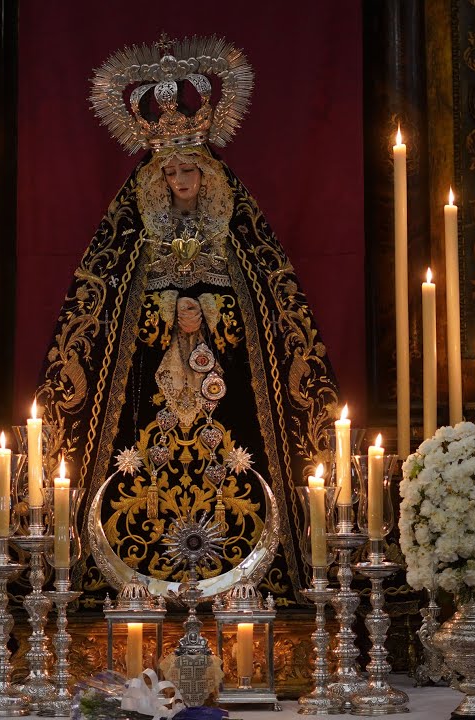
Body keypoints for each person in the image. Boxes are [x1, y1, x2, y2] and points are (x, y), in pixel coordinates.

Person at [33, 36, 339, 598]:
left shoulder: (238, 240)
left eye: (189, 172)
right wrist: (163, 308)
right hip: (148, 386)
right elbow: (100, 315)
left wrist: (215, 307)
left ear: (207, 176)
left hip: (230, 392)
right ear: (157, 180)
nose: (180, 182)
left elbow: (271, 312)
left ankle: (248, 576)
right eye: (170, 173)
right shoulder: (132, 241)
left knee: (238, 469)